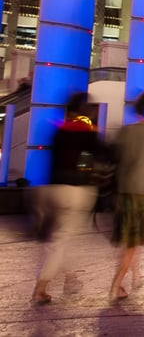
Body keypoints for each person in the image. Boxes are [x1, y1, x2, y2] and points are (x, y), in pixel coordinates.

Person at [31, 92, 108, 304]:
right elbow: (104, 152)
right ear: (85, 110)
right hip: (73, 192)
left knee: (60, 238)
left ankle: (70, 277)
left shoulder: (58, 130)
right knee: (62, 239)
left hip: (51, 189)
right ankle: (41, 287)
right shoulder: (84, 130)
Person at [109, 91, 144, 301]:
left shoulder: (126, 130)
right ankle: (116, 285)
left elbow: (118, 159)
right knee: (133, 244)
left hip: (124, 192)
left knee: (132, 241)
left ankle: (135, 275)